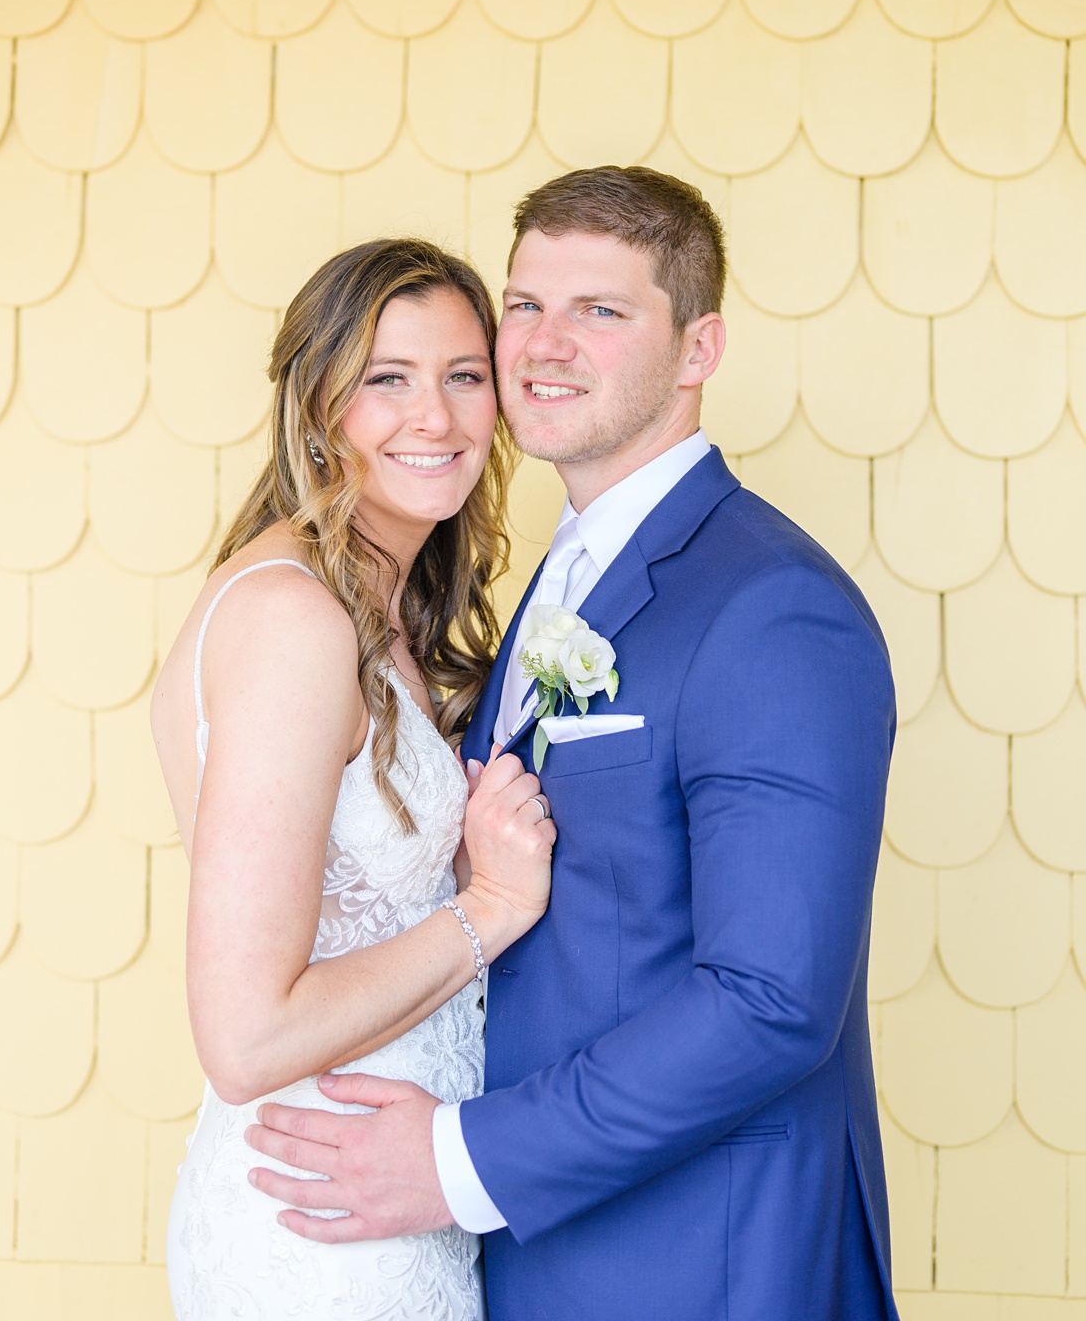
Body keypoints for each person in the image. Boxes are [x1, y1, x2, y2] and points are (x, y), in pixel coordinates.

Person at [246, 169, 898, 1320]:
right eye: (525, 304)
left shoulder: (773, 608)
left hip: (704, 1256)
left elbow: (771, 999)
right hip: (545, 1247)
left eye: (601, 311)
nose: (544, 346)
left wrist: (458, 1161)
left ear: (699, 348)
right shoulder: (561, 572)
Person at [150, 237, 556, 1320]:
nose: (438, 417)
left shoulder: (379, 611)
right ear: (320, 401)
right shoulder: (291, 619)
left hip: (389, 1204)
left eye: (464, 376)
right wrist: (494, 906)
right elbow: (248, 1035)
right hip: (316, 1227)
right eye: (388, 379)